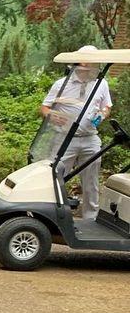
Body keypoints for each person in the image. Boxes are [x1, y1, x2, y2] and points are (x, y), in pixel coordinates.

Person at [40, 45, 112, 218]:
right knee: (55, 174)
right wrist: (52, 115)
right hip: (65, 138)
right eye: (90, 61)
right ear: (80, 61)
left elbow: (107, 106)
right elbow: (44, 107)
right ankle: (52, 214)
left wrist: (102, 115)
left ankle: (91, 218)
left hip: (90, 138)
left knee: (91, 181)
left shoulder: (101, 83)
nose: (94, 65)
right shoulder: (62, 84)